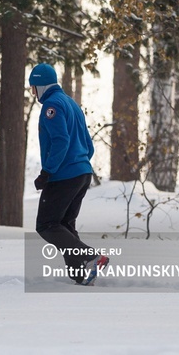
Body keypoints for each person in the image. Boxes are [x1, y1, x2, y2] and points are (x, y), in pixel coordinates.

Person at [29, 63, 107, 286]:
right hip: (82, 173)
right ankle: (81, 276)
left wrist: (47, 172)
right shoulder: (71, 103)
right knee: (65, 225)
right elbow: (88, 145)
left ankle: (91, 256)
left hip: (64, 175)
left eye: (33, 87)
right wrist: (81, 163)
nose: (33, 93)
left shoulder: (51, 106)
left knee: (46, 225)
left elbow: (61, 140)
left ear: (41, 85)